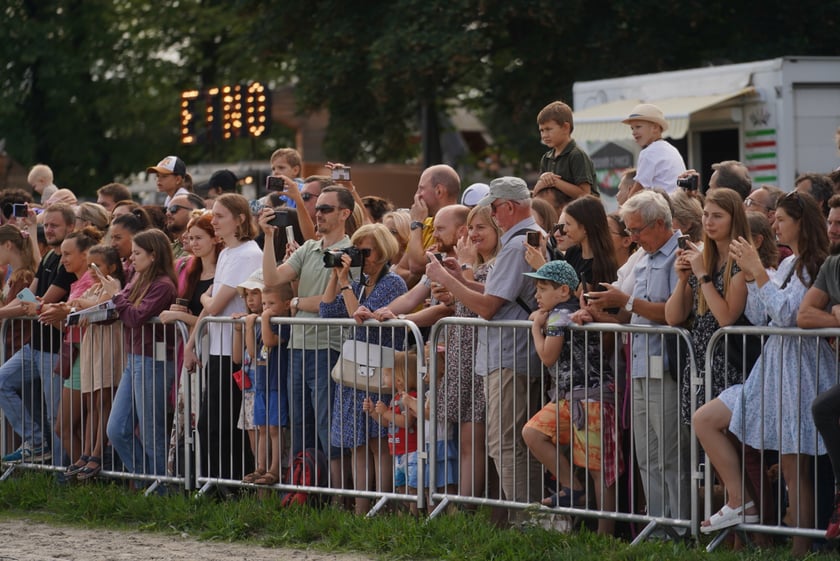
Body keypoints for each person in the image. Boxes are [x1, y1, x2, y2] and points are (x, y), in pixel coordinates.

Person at [694, 191, 829, 555]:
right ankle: (744, 503)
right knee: (707, 418)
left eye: (782, 219)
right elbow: (759, 316)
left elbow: (789, 315)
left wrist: (756, 272)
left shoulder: (814, 265)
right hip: (774, 369)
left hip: (801, 371)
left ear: (801, 222)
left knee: (793, 468)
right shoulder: (786, 266)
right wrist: (753, 277)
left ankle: (801, 549)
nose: (775, 225)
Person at [426, 176, 543, 515]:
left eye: (493, 208)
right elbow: (495, 297)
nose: (492, 215)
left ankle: (526, 521)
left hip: (509, 355)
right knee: (510, 443)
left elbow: (490, 307)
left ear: (508, 207)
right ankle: (529, 518)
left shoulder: (515, 244)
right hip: (510, 354)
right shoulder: (523, 239)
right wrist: (460, 277)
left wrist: (448, 280)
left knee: (504, 444)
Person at [522, 260, 622, 535]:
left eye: (542, 288)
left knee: (599, 469)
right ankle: (573, 489)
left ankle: (605, 534)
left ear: (563, 290)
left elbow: (547, 355)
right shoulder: (560, 312)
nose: (536, 295)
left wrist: (535, 329)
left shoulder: (559, 316)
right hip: (568, 398)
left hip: (593, 398)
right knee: (533, 432)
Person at [260, 186, 353, 461]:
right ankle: (304, 491)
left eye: (326, 209)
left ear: (345, 213)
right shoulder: (309, 248)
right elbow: (271, 280)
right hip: (299, 346)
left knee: (326, 425)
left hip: (328, 347)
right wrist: (267, 238)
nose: (318, 213)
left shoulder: (350, 252)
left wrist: (297, 303)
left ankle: (336, 495)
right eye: (318, 207)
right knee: (300, 424)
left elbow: (331, 305)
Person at [320, 223, 407, 514]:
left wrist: (346, 284)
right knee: (356, 443)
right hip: (355, 370)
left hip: (379, 370)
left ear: (383, 252)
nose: (360, 257)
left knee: (377, 443)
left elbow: (362, 316)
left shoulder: (392, 282)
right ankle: (360, 510)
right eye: (355, 251)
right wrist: (336, 275)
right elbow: (327, 309)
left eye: (365, 252)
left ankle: (381, 508)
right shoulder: (358, 282)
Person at [183, 194, 263, 481]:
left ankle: (230, 485)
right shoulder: (228, 253)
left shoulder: (249, 253)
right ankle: (215, 484)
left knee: (226, 425)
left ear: (239, 219)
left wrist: (205, 296)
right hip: (216, 346)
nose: (213, 221)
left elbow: (214, 305)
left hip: (236, 350)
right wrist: (191, 344)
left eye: (220, 216)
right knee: (210, 424)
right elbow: (211, 308)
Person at [666, 188, 751, 422]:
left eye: (717, 216)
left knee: (723, 436)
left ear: (734, 219)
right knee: (700, 446)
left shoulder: (740, 260)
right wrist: (683, 280)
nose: (709, 222)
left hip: (729, 362)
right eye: (705, 215)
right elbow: (673, 317)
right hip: (700, 361)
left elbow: (726, 318)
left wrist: (702, 275)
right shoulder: (704, 257)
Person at [0, 203, 76, 465]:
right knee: (2, 382)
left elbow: (38, 303)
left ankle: (60, 474)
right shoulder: (49, 257)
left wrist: (5, 312)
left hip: (54, 350)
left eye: (55, 225)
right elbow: (28, 296)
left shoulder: (66, 263)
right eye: (47, 224)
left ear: (71, 227)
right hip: (35, 347)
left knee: (55, 415)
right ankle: (34, 442)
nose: (50, 229)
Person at [103, 229, 177, 477]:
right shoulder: (138, 278)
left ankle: (161, 487)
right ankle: (147, 479)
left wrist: (115, 295)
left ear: (153, 255)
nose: (131, 258)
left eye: (137, 253)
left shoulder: (163, 285)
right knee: (116, 429)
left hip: (153, 361)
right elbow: (121, 307)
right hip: (134, 358)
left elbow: (134, 316)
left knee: (150, 431)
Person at [159, 211, 222, 476]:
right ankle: (189, 475)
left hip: (211, 347)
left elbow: (211, 316)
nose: (193, 243)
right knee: (189, 416)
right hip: (193, 348)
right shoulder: (192, 270)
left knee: (207, 415)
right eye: (191, 238)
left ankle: (208, 474)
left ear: (214, 239)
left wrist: (179, 315)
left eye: (199, 238)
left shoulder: (222, 271)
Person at [45, 228, 102, 477]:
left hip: (86, 354)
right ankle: (83, 478)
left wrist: (63, 314)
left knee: (65, 425)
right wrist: (50, 314)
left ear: (85, 254)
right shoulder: (78, 282)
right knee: (70, 425)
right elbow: (68, 325)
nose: (64, 259)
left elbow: (85, 320)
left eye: (68, 254)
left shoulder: (91, 281)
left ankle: (84, 479)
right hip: (76, 352)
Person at [69, 245, 125, 480]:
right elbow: (77, 304)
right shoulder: (94, 286)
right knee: (91, 398)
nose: (92, 270)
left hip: (109, 344)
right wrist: (81, 306)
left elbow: (99, 305)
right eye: (89, 266)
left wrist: (82, 307)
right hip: (92, 344)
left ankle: (96, 452)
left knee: (103, 397)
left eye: (97, 266)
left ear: (112, 267)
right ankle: (87, 451)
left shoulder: (115, 286)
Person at [247, 282, 293, 486]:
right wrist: (249, 327)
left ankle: (275, 468)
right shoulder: (262, 323)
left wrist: (264, 319)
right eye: (264, 303)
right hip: (261, 384)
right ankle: (260, 466)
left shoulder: (283, 324)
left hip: (277, 383)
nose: (266, 308)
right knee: (263, 428)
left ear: (285, 305)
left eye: (271, 303)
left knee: (275, 428)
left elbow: (269, 341)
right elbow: (251, 352)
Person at [363, 350, 418, 514]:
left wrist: (386, 412)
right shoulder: (395, 398)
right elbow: (388, 423)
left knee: (412, 487)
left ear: (399, 380)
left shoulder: (410, 398)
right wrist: (374, 412)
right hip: (398, 452)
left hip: (411, 452)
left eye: (386, 374)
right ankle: (403, 517)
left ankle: (414, 517)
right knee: (401, 487)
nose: (383, 378)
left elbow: (406, 421)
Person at [232, 270, 265, 483]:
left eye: (255, 293)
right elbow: (237, 357)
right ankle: (258, 481)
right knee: (253, 442)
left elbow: (254, 355)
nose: (250, 299)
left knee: (264, 439)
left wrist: (250, 327)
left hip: (262, 389)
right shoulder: (250, 321)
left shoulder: (264, 322)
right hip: (249, 391)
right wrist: (238, 330)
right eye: (246, 294)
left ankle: (265, 477)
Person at [533, 100, 598, 207]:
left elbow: (585, 194)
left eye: (549, 129)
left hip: (582, 216)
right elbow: (537, 195)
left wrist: (555, 181)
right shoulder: (546, 158)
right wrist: (542, 179)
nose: (544, 135)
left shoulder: (577, 155)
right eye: (542, 130)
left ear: (565, 128)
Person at [404, 164, 461, 275]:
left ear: (439, 191)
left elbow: (415, 266)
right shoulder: (425, 224)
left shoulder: (459, 226)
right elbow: (401, 269)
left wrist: (416, 223)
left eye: (421, 189)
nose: (417, 195)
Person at [622, 103, 686, 195]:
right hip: (678, 203)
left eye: (638, 127)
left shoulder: (649, 152)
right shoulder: (672, 149)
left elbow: (637, 191)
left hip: (664, 206)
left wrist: (625, 208)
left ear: (655, 127)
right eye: (632, 128)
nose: (633, 132)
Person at [165, 193, 205, 259]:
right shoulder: (167, 250)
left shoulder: (202, 249)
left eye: (174, 209)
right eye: (167, 209)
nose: (167, 213)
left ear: (195, 211)